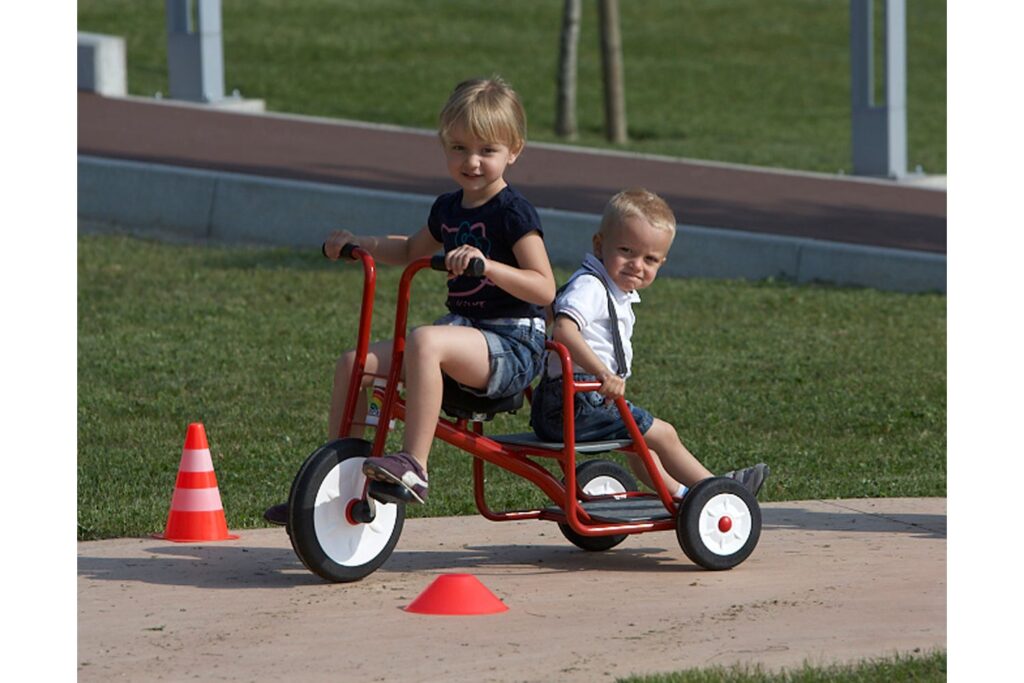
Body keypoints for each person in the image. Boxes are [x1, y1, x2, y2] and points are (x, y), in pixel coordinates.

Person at [265, 76, 555, 522]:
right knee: (355, 363)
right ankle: (335, 479)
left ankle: (414, 466)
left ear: (514, 150)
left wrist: (487, 265)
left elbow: (543, 287)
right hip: (464, 335)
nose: (471, 162)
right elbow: (408, 250)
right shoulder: (448, 208)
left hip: (513, 345)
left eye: (486, 150)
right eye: (458, 148)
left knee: (426, 340)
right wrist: (356, 243)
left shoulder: (513, 212)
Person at [529, 188, 769, 499]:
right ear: (600, 245)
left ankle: (684, 494)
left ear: (662, 262)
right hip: (575, 406)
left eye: (650, 259)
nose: (637, 265)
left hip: (577, 402)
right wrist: (603, 373)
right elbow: (563, 330)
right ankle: (720, 492)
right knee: (663, 434)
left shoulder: (612, 289)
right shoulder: (590, 286)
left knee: (641, 447)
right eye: (626, 250)